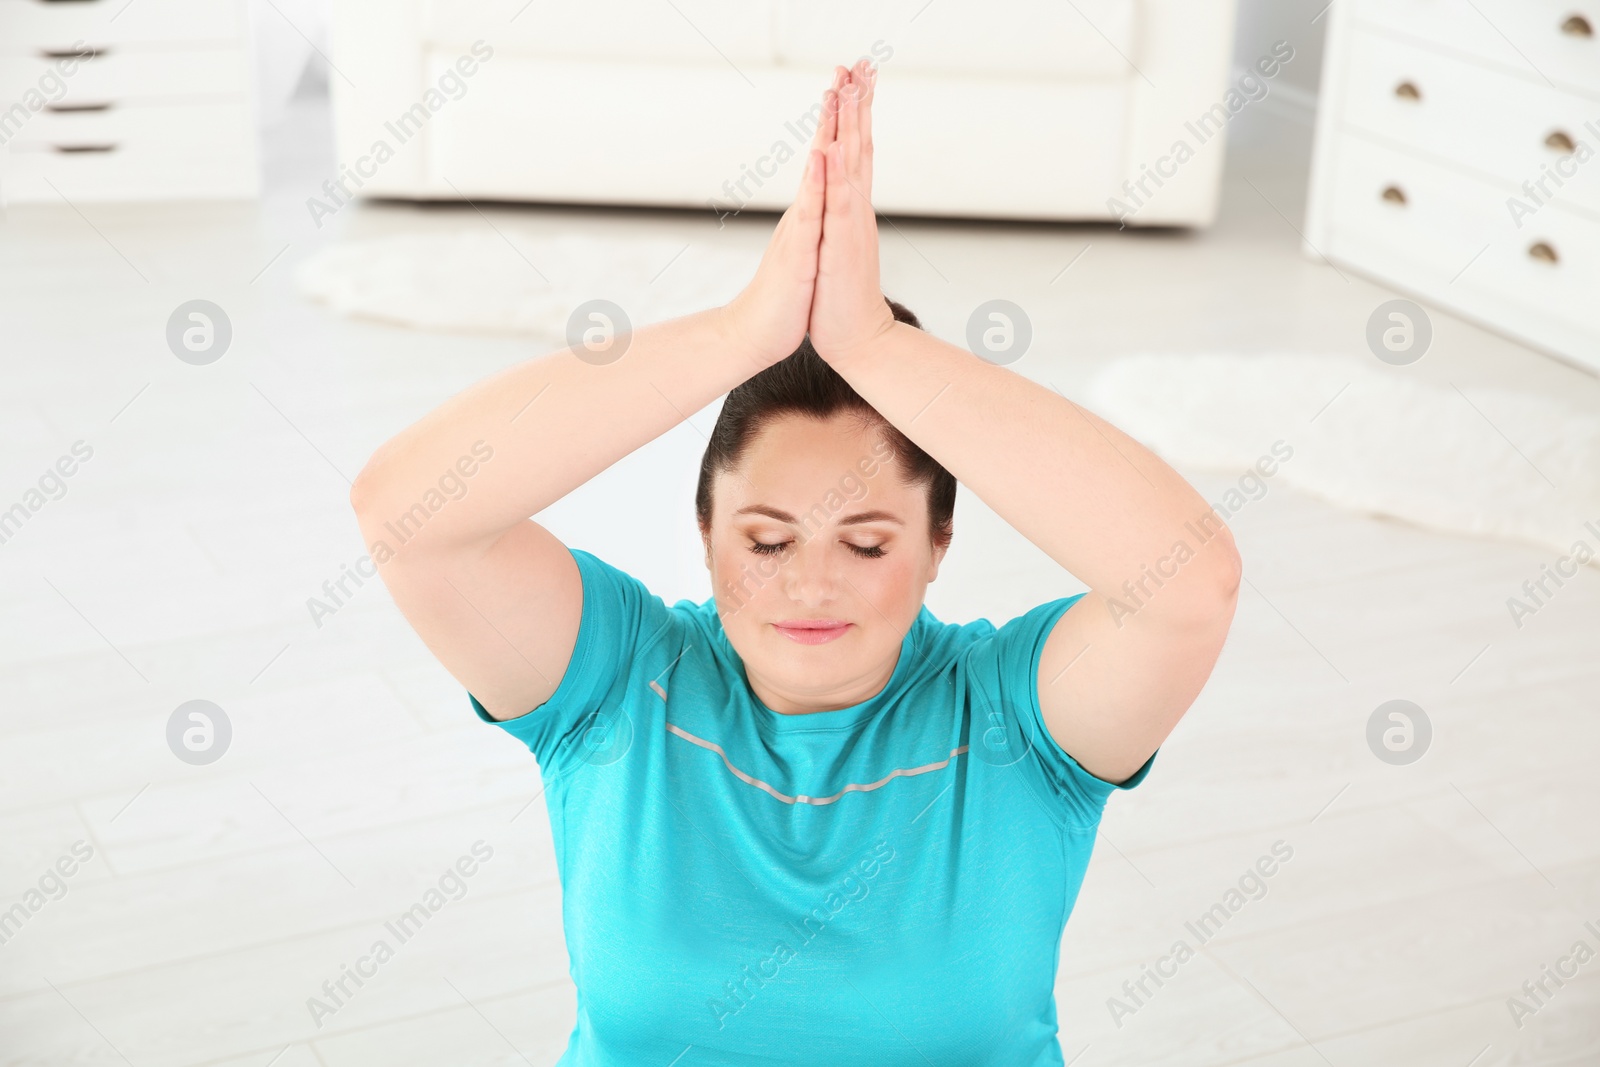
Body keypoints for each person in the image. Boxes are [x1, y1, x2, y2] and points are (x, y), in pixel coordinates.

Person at [351, 58, 1240, 1066]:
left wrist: (876, 347)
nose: (809, 582)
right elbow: (408, 510)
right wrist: (738, 333)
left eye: (864, 542)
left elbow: (1186, 581)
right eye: (767, 540)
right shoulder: (615, 685)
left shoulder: (1015, 722)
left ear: (939, 542)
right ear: (705, 531)